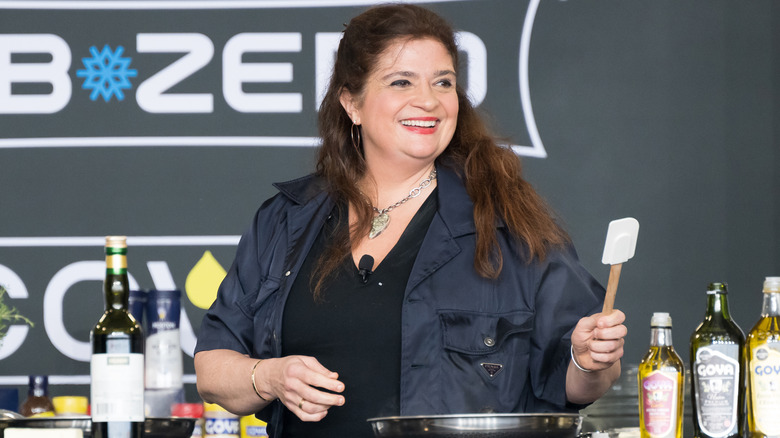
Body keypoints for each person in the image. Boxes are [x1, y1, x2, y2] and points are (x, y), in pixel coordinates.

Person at [194, 3, 627, 437]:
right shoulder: (286, 219)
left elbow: (582, 379)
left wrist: (588, 361)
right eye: (401, 81)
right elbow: (213, 368)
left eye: (444, 82)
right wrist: (270, 376)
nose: (429, 100)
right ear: (352, 103)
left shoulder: (507, 222)